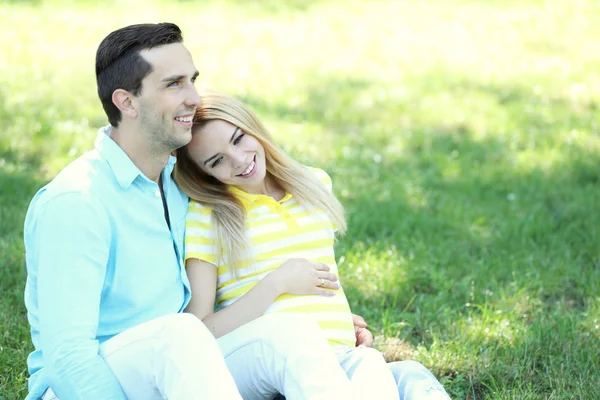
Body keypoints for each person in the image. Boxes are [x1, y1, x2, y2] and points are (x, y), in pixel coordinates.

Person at [23, 23, 364, 400]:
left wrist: (322, 330)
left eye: (192, 80)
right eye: (174, 84)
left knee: (293, 332)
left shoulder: (183, 185)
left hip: (188, 366)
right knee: (181, 333)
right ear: (127, 102)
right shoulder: (77, 202)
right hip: (99, 384)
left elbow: (208, 302)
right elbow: (68, 358)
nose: (193, 98)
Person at [174, 91, 450, 400]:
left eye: (238, 139)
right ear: (203, 173)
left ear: (253, 127)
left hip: (335, 355)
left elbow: (322, 281)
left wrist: (342, 322)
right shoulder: (209, 215)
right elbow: (199, 330)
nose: (239, 160)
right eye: (217, 161)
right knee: (333, 355)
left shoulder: (313, 184)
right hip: (263, 358)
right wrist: (275, 283)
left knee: (402, 372)